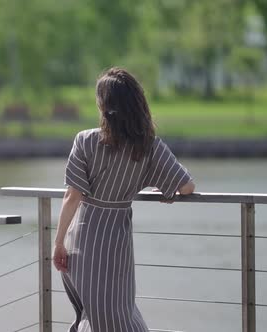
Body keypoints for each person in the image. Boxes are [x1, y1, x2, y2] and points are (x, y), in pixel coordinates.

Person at [52, 67, 195, 332]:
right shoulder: (148, 146)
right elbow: (186, 185)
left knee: (94, 313)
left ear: (104, 106)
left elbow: (72, 196)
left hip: (81, 237)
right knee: (117, 311)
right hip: (116, 240)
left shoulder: (85, 140)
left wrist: (58, 242)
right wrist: (169, 193)